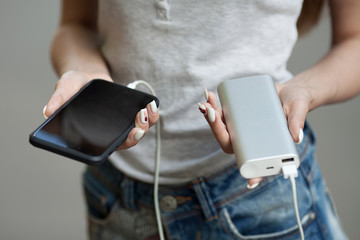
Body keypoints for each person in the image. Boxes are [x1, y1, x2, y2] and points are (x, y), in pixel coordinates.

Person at [43, 0, 359, 239]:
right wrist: (86, 71)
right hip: (117, 199)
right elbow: (75, 25)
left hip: (260, 201)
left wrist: (303, 90)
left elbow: (354, 39)